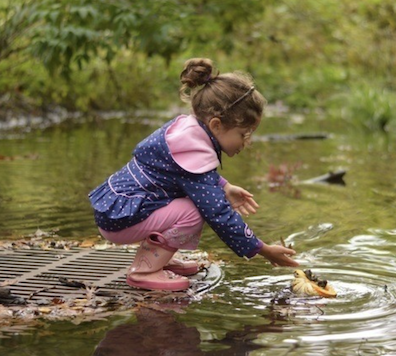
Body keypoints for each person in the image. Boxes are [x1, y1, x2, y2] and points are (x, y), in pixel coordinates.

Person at [88, 58, 299, 291]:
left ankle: (160, 257)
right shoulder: (193, 149)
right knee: (195, 211)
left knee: (192, 203)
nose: (247, 142)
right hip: (122, 219)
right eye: (244, 134)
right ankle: (144, 271)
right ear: (217, 125)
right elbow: (219, 214)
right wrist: (261, 249)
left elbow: (186, 175)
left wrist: (225, 186)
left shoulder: (187, 132)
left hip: (119, 209)